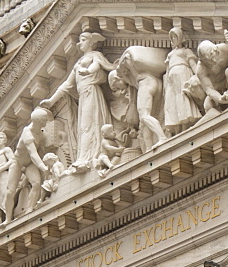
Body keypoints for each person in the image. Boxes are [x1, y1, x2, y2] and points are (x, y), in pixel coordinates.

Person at [40, 32, 114, 170]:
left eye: (84, 39)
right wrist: (51, 101)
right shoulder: (78, 63)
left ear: (91, 42)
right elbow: (66, 85)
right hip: (84, 96)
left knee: (88, 124)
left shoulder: (95, 55)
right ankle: (85, 156)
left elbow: (96, 66)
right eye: (80, 40)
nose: (80, 43)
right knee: (83, 127)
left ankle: (86, 158)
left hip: (91, 92)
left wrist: (88, 71)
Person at [114, 45, 167, 151]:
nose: (118, 89)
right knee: (144, 123)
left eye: (115, 86)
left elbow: (128, 59)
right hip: (155, 84)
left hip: (146, 86)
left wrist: (127, 68)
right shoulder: (138, 79)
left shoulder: (137, 75)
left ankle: (162, 137)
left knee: (144, 116)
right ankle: (148, 148)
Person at [12, 107, 53, 214]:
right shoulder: (27, 133)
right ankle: (6, 217)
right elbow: (33, 154)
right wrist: (44, 168)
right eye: (45, 119)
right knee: (10, 192)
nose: (46, 121)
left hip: (30, 163)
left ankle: (29, 208)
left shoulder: (41, 133)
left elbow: (40, 152)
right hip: (18, 163)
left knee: (36, 183)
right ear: (40, 121)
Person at [163, 27, 201, 134]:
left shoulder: (186, 51)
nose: (173, 39)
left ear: (180, 37)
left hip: (182, 74)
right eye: (172, 37)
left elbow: (193, 65)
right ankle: (176, 129)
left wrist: (199, 76)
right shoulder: (170, 54)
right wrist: (165, 85)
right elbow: (167, 70)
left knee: (183, 98)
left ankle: (185, 127)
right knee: (171, 101)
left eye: (175, 36)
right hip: (171, 79)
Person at [0, 131, 16, 225]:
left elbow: (13, 160)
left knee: (5, 195)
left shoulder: (7, 149)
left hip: (4, 175)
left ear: (5, 140)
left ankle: (8, 217)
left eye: (1, 138)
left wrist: (1, 169)